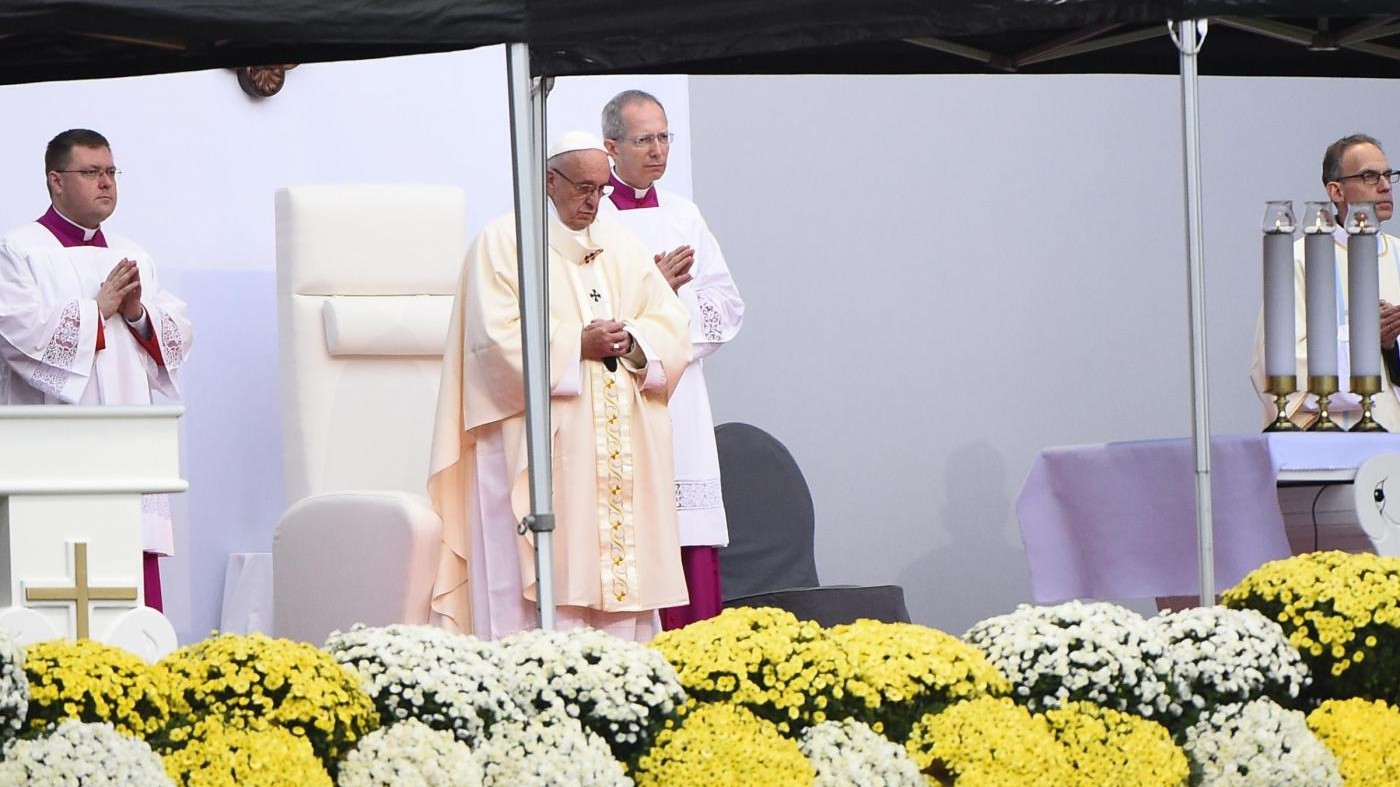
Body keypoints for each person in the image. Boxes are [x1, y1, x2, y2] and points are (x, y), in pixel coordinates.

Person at [428, 130, 693, 641]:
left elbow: (668, 320)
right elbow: (490, 344)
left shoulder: (620, 245)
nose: (594, 202)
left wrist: (632, 341)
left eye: (602, 190)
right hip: (537, 450)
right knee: (538, 588)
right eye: (582, 188)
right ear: (550, 180)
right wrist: (576, 344)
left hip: (617, 452)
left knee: (619, 600)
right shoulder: (504, 244)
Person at [0, 129, 193, 610]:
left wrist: (135, 313)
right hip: (53, 453)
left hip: (125, 450)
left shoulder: (133, 254)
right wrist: (97, 310)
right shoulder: (20, 250)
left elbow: (178, 332)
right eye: (91, 172)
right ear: (56, 180)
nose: (105, 183)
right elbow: (17, 334)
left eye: (110, 172)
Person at [597, 90, 745, 629]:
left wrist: (671, 304)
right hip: (614, 394)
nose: (657, 150)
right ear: (611, 146)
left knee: (689, 532)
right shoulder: (593, 219)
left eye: (664, 137)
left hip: (681, 397)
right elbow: (585, 310)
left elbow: (728, 307)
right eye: (644, 139)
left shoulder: (684, 215)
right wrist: (653, 294)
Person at [1251, 133, 1400, 430]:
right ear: (1336, 192)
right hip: (1336, 449)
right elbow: (1276, 362)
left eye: (1388, 175)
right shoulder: (1300, 260)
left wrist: (1391, 348)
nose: (1385, 186)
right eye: (1370, 176)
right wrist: (1363, 339)